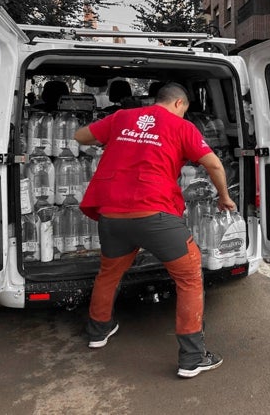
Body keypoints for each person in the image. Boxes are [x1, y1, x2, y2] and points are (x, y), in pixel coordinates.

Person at [74, 82, 236, 378]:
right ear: (178, 104)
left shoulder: (122, 117)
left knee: (108, 273)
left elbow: (80, 136)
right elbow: (214, 165)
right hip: (155, 215)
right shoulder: (181, 126)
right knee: (189, 275)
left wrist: (119, 141)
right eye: (185, 109)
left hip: (112, 215)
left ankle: (98, 331)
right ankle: (192, 357)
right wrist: (224, 197)